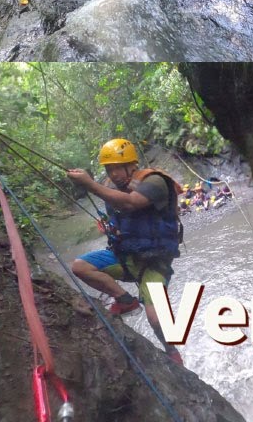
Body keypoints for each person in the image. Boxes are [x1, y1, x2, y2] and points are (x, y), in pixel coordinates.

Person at [67, 139, 185, 366]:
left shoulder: (156, 182)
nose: (113, 174)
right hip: (126, 258)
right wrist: (111, 229)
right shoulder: (113, 193)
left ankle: (172, 352)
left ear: (131, 164)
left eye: (117, 168)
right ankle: (125, 300)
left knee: (155, 317)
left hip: (154, 263)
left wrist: (90, 184)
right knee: (80, 266)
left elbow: (132, 203)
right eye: (109, 169)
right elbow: (123, 221)